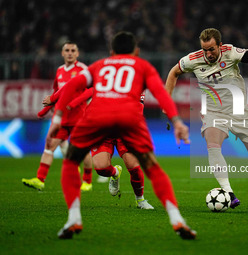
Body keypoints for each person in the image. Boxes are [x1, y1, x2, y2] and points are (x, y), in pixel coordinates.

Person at [46, 31, 196, 240]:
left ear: (112, 51)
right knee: (146, 165)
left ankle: (74, 218)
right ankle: (176, 218)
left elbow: (72, 86)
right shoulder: (143, 67)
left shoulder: (100, 65)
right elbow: (161, 93)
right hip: (129, 121)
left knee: (71, 162)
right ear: (136, 51)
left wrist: (56, 119)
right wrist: (177, 120)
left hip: (99, 119)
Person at [165, 28, 248, 208]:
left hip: (239, 111)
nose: (208, 54)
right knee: (212, 146)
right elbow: (173, 72)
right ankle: (229, 192)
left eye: (211, 49)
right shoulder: (193, 60)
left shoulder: (231, 52)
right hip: (213, 112)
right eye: (204, 50)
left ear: (220, 45)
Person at [22, 42, 94, 192]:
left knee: (82, 150)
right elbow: (55, 94)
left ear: (77, 53)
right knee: (50, 146)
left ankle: (87, 181)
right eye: (66, 50)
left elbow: (91, 90)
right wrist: (45, 110)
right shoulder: (60, 70)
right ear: (62, 53)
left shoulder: (83, 70)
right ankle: (40, 180)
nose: (69, 53)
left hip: (78, 116)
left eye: (73, 50)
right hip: (61, 117)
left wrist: (75, 102)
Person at [91, 137, 154, 209]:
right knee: (101, 168)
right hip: (103, 131)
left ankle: (140, 199)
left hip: (123, 131)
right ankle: (115, 173)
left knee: (134, 168)